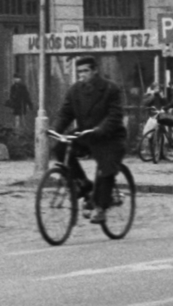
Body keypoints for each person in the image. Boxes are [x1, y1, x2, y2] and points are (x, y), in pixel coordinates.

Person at [53, 56, 127, 225]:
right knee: (61, 148)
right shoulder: (74, 91)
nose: (82, 75)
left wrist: (101, 129)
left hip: (110, 137)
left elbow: (115, 115)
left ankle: (101, 208)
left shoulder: (110, 89)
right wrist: (55, 130)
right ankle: (84, 185)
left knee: (106, 166)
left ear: (95, 71)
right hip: (86, 134)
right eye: (79, 72)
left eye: (86, 71)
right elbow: (65, 113)